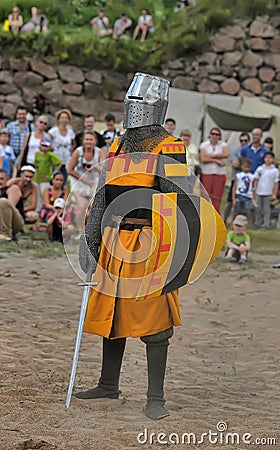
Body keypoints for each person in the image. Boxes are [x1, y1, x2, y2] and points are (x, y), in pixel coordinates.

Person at [75, 72, 226, 420]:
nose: (133, 108)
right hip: (115, 239)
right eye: (131, 101)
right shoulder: (117, 144)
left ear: (156, 107)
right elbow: (101, 196)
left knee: (153, 318)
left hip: (150, 241)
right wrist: (92, 238)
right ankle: (108, 385)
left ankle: (155, 398)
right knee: (112, 312)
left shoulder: (170, 146)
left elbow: (178, 203)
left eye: (140, 102)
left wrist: (172, 254)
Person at [68, 131, 102, 235]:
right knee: (82, 207)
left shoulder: (99, 152)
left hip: (94, 184)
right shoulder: (78, 152)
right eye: (87, 139)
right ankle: (80, 231)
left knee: (93, 207)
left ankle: (91, 231)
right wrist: (83, 179)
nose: (89, 142)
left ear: (95, 141)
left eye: (91, 139)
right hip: (79, 184)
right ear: (83, 141)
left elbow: (104, 170)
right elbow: (70, 170)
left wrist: (94, 167)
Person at [199, 127, 229, 213]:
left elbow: (226, 154)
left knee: (217, 197)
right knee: (206, 196)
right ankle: (205, 215)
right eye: (213, 134)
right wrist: (216, 160)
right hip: (207, 173)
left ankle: (216, 217)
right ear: (209, 135)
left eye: (217, 134)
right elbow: (203, 159)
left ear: (219, 136)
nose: (215, 136)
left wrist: (211, 156)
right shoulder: (204, 145)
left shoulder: (223, 145)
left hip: (219, 174)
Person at [223, 132, 250, 225]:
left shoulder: (250, 151)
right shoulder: (235, 150)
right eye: (241, 140)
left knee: (245, 202)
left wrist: (243, 163)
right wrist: (245, 164)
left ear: (248, 141)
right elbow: (236, 163)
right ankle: (225, 219)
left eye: (245, 140)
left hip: (247, 181)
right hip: (236, 179)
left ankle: (243, 222)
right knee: (230, 201)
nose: (243, 142)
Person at [253, 152, 279, 229]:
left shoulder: (275, 171)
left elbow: (276, 183)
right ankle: (257, 223)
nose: (268, 159)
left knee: (266, 209)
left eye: (270, 158)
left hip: (268, 192)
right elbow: (256, 180)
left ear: (273, 160)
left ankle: (266, 224)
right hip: (259, 191)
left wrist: (274, 194)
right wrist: (254, 191)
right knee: (258, 208)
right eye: (266, 158)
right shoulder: (260, 168)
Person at [48, 109, 76, 185]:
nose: (64, 120)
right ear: (59, 119)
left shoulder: (70, 132)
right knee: (54, 177)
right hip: (55, 158)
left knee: (64, 179)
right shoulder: (53, 131)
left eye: (66, 118)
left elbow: (73, 143)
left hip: (66, 158)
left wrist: (71, 150)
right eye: (62, 118)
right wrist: (50, 149)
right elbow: (46, 141)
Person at [34, 136, 62, 210]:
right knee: (37, 194)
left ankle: (44, 209)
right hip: (37, 177)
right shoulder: (37, 154)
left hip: (46, 178)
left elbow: (59, 163)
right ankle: (37, 210)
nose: (44, 148)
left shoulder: (50, 155)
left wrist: (54, 172)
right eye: (43, 145)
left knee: (44, 194)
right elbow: (36, 164)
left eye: (46, 146)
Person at [0, 169, 24, 241]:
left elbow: (10, 207)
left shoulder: (12, 188)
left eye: (1, 179)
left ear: (7, 180)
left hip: (15, 222)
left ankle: (6, 234)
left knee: (3, 202)